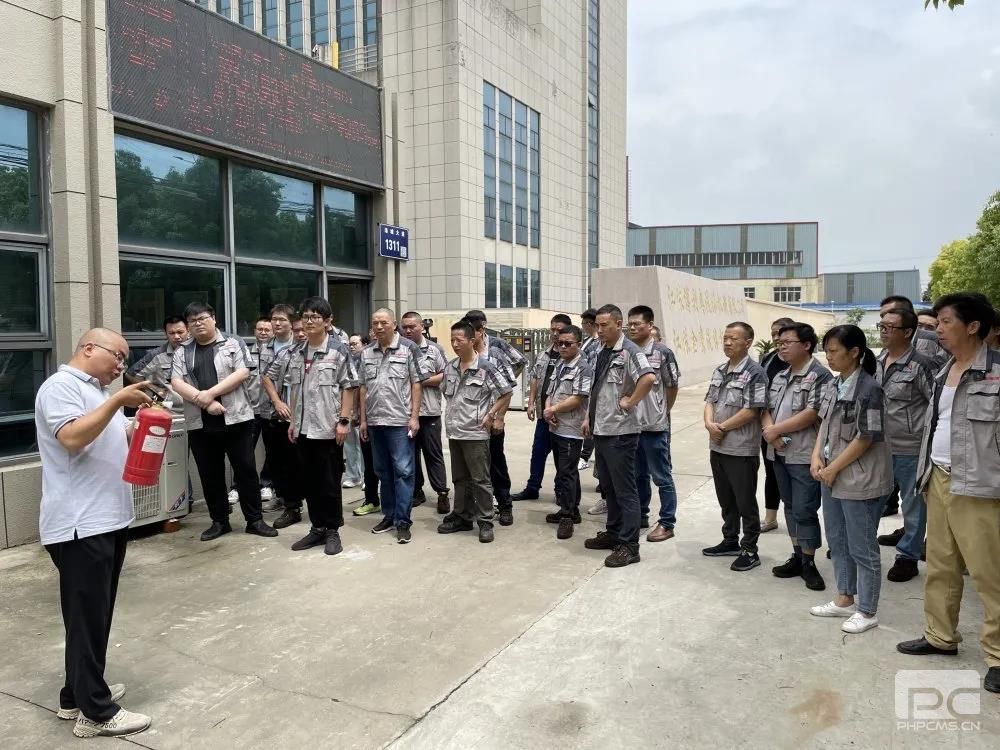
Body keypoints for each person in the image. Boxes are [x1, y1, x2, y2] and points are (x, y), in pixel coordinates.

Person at [35, 329, 153, 738]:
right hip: (80, 524)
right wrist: (119, 401)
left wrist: (137, 424)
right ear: (88, 348)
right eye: (117, 356)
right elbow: (71, 438)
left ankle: (76, 695)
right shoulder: (60, 387)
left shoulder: (97, 392)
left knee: (91, 616)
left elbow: (108, 438)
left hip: (106, 518)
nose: (121, 366)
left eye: (124, 359)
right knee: (87, 618)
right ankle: (96, 712)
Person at [897, 292, 1000, 695]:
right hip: (939, 478)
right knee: (940, 564)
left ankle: (998, 655)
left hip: (981, 486)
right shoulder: (944, 370)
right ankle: (940, 635)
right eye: (937, 321)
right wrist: (925, 476)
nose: (937, 329)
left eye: (945, 322)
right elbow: (934, 426)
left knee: (989, 573)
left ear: (972, 326)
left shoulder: (996, 371)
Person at [809, 325, 893, 635]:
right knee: (838, 540)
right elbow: (824, 424)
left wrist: (833, 468)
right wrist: (816, 456)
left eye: (833, 351)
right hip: (831, 474)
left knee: (862, 546)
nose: (828, 357)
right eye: (827, 351)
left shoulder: (870, 389)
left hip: (859, 478)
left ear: (855, 352)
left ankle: (867, 610)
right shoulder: (835, 383)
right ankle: (845, 598)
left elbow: (867, 437)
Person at [170, 302, 278, 541]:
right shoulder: (182, 350)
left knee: (246, 470)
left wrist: (209, 394)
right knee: (210, 474)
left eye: (202, 318)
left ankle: (255, 520)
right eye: (192, 321)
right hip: (200, 423)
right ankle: (219, 521)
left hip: (236, 419)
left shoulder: (233, 342)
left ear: (214, 318)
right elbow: (176, 382)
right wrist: (206, 402)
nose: (198, 323)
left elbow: (243, 373)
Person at [282, 297, 358, 556]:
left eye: (315, 316)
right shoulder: (297, 352)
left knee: (329, 482)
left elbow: (349, 387)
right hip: (303, 428)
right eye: (306, 316)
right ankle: (317, 528)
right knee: (310, 482)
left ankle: (333, 530)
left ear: (327, 321)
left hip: (328, 428)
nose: (309, 321)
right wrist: (293, 421)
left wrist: (344, 421)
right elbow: (295, 389)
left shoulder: (339, 351)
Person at [761, 322, 832, 591]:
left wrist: (775, 430)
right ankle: (797, 555)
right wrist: (771, 433)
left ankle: (809, 562)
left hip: (803, 454)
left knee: (804, 509)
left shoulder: (820, 376)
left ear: (806, 345)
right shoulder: (780, 375)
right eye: (779, 342)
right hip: (778, 451)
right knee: (789, 506)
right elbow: (765, 408)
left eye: (787, 342)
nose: (781, 347)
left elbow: (813, 413)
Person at [583, 304, 655, 568]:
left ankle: (630, 545)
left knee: (625, 491)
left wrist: (631, 401)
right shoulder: (601, 351)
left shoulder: (630, 351)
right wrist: (588, 419)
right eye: (597, 325)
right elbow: (596, 389)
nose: (599, 330)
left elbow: (648, 378)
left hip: (621, 432)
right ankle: (613, 533)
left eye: (604, 325)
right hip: (601, 430)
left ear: (618, 324)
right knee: (608, 488)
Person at [874, 307, 935, 583]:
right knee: (872, 500)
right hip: (877, 446)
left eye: (890, 327)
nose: (883, 331)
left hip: (911, 447)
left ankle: (907, 557)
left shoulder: (922, 365)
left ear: (908, 332)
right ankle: (861, 546)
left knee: (912, 506)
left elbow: (936, 406)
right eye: (881, 326)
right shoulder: (878, 360)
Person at [437, 320, 513, 543]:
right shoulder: (450, 367)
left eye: (459, 340)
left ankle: (485, 521)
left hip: (476, 433)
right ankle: (462, 516)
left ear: (472, 341)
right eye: (452, 340)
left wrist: (492, 414)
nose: (455, 344)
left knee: (480, 480)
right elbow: (447, 394)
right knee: (460, 479)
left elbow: (506, 392)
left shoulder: (486, 367)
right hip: (455, 432)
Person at [702, 322, 768, 572]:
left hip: (740, 449)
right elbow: (710, 401)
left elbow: (752, 410)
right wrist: (709, 424)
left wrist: (721, 428)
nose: (727, 343)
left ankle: (750, 549)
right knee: (726, 499)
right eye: (725, 338)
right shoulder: (720, 370)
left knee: (745, 501)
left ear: (748, 342)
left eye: (734, 338)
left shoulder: (755, 373)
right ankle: (729, 540)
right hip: (717, 446)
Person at [359, 308, 425, 544]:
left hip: (399, 422)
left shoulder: (409, 348)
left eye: (383, 322)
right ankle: (389, 515)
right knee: (383, 472)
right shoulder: (366, 353)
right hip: (375, 421)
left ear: (394, 324)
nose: (378, 327)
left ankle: (403, 522)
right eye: (375, 323)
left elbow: (416, 384)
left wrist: (414, 417)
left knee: (403, 472)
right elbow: (363, 387)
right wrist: (363, 420)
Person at [465, 309, 526, 526]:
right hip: (471, 419)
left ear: (481, 329)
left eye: (474, 331)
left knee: (496, 462)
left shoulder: (497, 349)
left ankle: (504, 504)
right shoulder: (466, 352)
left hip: (493, 416)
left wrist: (500, 416)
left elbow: (517, 366)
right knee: (475, 466)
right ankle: (481, 505)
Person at [626, 306, 681, 542]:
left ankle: (667, 522)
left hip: (654, 426)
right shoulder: (626, 351)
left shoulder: (662, 353)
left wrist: (663, 412)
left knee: (661, 476)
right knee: (638, 474)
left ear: (650, 325)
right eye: (630, 324)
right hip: (631, 426)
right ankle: (641, 515)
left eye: (637, 324)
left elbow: (672, 385)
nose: (632, 327)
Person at [513, 313, 572, 501]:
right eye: (552, 329)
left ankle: (561, 491)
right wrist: (531, 403)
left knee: (562, 458)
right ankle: (532, 488)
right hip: (543, 415)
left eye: (559, 330)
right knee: (537, 452)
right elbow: (535, 378)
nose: (555, 333)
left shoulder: (573, 356)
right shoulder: (543, 354)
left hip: (563, 417)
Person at [542, 325, 593, 539]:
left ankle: (567, 517)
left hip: (571, 430)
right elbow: (550, 391)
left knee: (567, 473)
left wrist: (552, 409)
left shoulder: (583, 367)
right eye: (559, 343)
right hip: (557, 427)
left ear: (578, 344)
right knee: (565, 472)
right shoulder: (560, 365)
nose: (562, 347)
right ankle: (572, 511)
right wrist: (548, 410)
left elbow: (578, 398)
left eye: (567, 343)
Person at [260, 305, 307, 529]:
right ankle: (289, 503)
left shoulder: (309, 349)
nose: (276, 323)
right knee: (279, 462)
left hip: (305, 417)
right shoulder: (273, 349)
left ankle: (300, 505)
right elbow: (265, 377)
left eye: (281, 319)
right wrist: (276, 402)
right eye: (274, 319)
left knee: (301, 464)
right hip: (276, 415)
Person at [401, 311, 451, 515]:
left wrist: (421, 381)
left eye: (412, 326)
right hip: (405, 413)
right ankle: (416, 491)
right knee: (410, 456)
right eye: (405, 327)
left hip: (429, 412)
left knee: (433, 454)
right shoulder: (400, 350)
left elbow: (446, 375)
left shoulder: (434, 349)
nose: (408, 330)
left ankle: (441, 492)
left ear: (421, 327)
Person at [759, 317, 796, 533]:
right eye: (773, 334)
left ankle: (798, 521)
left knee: (797, 476)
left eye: (780, 334)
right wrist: (769, 430)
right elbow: (760, 395)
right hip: (768, 427)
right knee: (771, 472)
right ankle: (770, 517)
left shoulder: (800, 362)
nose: (776, 338)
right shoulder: (769, 359)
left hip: (795, 431)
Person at [125, 315, 188, 410]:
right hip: (169, 411)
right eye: (171, 333)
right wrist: (155, 389)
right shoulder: (157, 355)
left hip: (196, 409)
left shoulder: (197, 352)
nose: (176, 336)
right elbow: (131, 375)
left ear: (188, 331)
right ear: (166, 334)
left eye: (180, 332)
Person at [245, 315, 274, 505]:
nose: (263, 332)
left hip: (271, 411)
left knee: (272, 450)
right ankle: (239, 487)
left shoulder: (278, 352)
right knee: (245, 451)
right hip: (251, 410)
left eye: (267, 330)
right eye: (260, 329)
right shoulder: (246, 353)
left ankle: (266, 484)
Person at [342, 334, 367, 489]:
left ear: (364, 344)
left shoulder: (367, 360)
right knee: (349, 445)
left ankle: (365, 477)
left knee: (362, 444)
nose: (351, 347)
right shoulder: (346, 361)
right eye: (350, 344)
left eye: (355, 344)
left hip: (362, 409)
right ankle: (353, 476)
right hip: (347, 410)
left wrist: (358, 411)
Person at [579, 307, 601, 478]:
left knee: (594, 426)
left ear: (590, 323)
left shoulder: (599, 343)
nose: (583, 326)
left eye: (584, 323)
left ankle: (585, 456)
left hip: (596, 390)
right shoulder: (587, 342)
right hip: (586, 389)